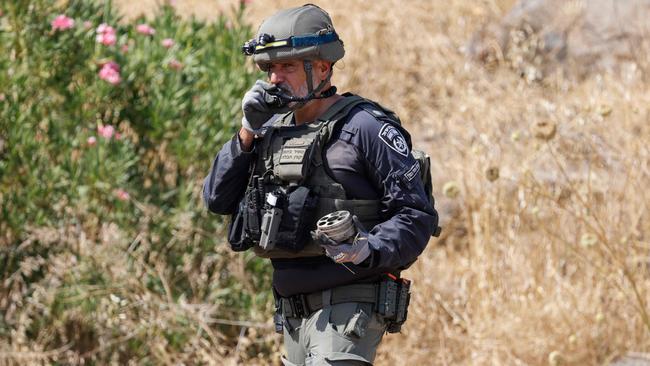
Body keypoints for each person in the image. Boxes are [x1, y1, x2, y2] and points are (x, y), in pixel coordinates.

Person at [203, 4, 439, 365]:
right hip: (293, 315)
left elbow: (415, 214)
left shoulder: (366, 127)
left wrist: (366, 248)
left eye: (288, 66)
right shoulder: (270, 127)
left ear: (323, 67)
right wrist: (247, 131)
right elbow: (217, 199)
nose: (275, 79)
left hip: (348, 307)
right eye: (270, 68)